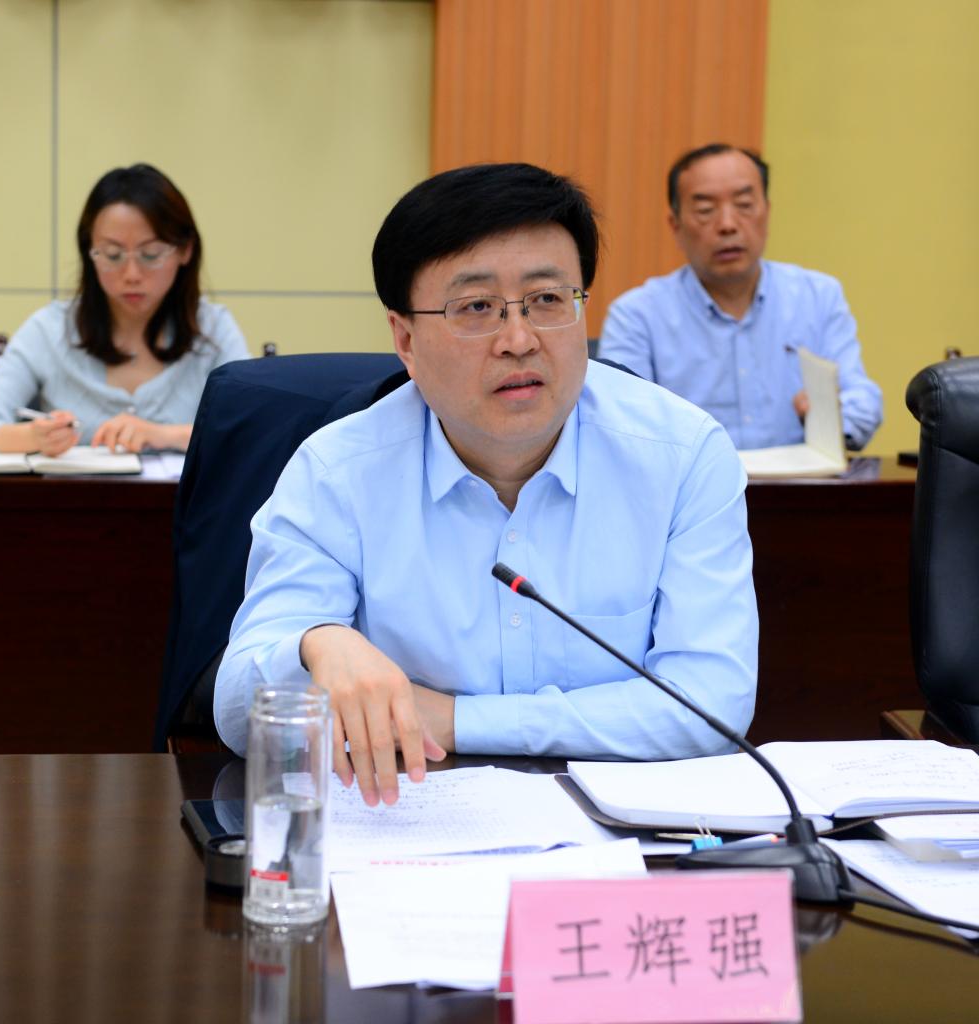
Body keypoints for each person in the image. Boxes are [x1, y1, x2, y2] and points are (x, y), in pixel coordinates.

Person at [214, 162, 757, 806]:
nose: (519, 341)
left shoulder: (683, 456)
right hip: (406, 826)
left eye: (548, 300)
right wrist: (316, 643)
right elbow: (238, 712)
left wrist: (452, 719)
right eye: (476, 308)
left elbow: (711, 706)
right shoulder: (337, 471)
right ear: (405, 339)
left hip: (619, 838)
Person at [599, 144, 882, 451]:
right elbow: (620, 422)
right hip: (688, 480)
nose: (728, 225)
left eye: (744, 205)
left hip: (798, 480)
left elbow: (862, 402)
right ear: (676, 226)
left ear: (767, 212)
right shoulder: (636, 315)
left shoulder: (818, 297)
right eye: (705, 210)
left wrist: (828, 415)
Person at [0, 163, 249, 454]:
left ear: (185, 250)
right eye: (112, 254)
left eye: (150, 254)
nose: (132, 274)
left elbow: (253, 430)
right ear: (89, 253)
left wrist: (164, 435)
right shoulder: (49, 330)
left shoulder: (213, 329)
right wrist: (33, 437)